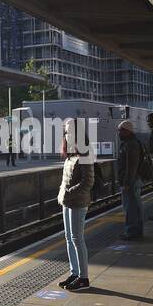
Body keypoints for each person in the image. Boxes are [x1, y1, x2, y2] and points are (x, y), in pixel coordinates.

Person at [56, 118, 94, 291]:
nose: (66, 134)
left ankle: (84, 278)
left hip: (78, 202)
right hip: (67, 202)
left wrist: (67, 194)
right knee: (69, 239)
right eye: (65, 131)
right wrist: (62, 194)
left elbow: (88, 182)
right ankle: (75, 273)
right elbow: (66, 180)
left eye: (69, 131)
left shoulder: (85, 152)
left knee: (77, 239)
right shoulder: (72, 153)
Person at [115, 119, 146, 239]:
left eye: (121, 131)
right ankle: (136, 231)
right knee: (135, 206)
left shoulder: (130, 144)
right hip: (133, 180)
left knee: (130, 207)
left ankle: (132, 231)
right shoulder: (131, 142)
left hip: (131, 181)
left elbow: (131, 166)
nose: (119, 133)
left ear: (127, 131)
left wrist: (127, 182)